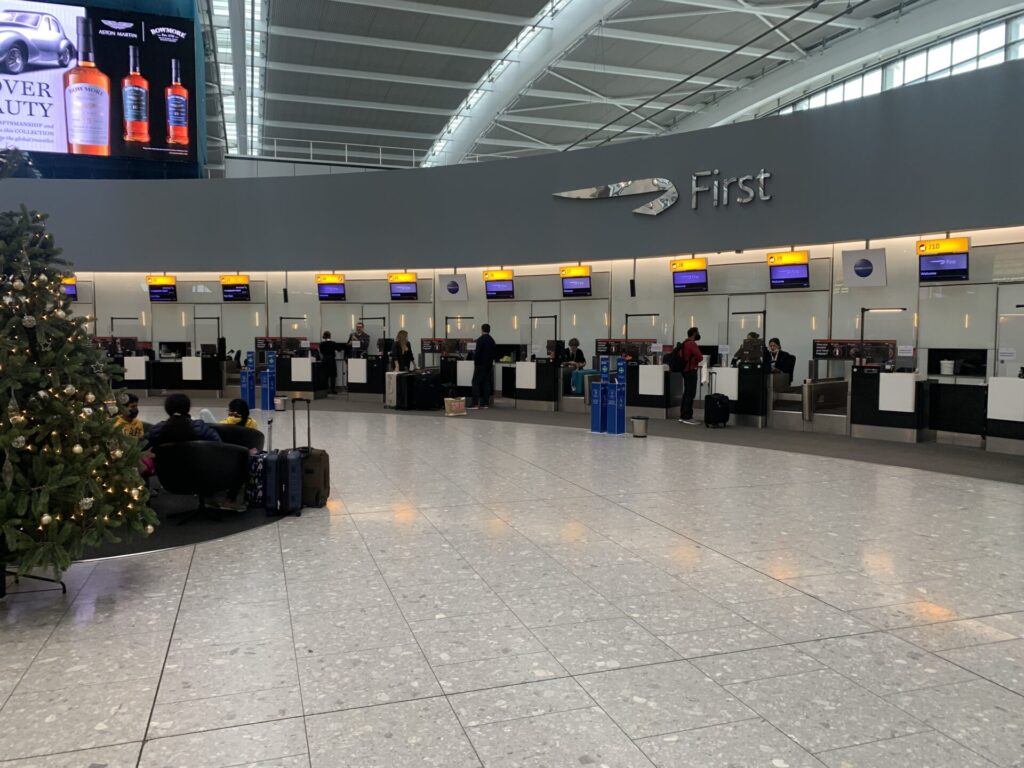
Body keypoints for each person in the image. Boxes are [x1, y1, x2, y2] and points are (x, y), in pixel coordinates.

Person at [147, 393, 222, 448]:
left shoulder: (156, 430)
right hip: (196, 468)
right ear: (188, 409)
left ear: (167, 409)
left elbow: (139, 448)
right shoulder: (200, 427)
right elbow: (219, 446)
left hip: (163, 469)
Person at [678, 327, 704, 425]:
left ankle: (683, 415)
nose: (698, 334)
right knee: (690, 393)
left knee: (686, 393)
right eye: (697, 332)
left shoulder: (684, 343)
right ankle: (687, 416)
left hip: (684, 370)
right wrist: (696, 360)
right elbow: (700, 357)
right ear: (694, 333)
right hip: (691, 370)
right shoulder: (692, 344)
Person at [469, 323, 497, 410]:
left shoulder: (480, 340)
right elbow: (494, 354)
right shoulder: (492, 340)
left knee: (475, 382)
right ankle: (485, 403)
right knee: (486, 383)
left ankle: (475, 404)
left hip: (480, 365)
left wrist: (474, 359)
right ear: (489, 330)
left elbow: (477, 354)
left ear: (482, 330)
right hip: (489, 365)